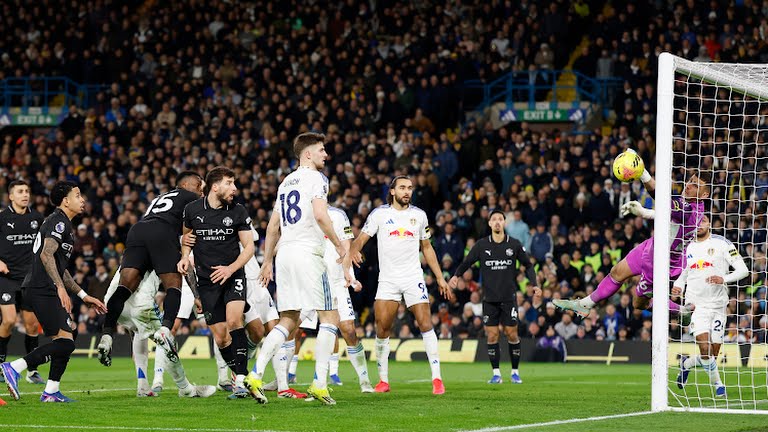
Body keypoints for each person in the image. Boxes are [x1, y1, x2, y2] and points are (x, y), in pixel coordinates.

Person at [245, 132, 347, 405]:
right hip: (307, 252)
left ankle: (255, 375)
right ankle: (320, 383)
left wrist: (267, 261)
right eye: (322, 150)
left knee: (289, 319)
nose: (326, 155)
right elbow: (321, 214)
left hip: (284, 255)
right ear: (308, 154)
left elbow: (272, 226)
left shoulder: (286, 182)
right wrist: (338, 244)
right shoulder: (317, 179)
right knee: (330, 318)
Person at [346, 175, 455, 395]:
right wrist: (354, 250)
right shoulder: (380, 214)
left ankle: (437, 379)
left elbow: (427, 248)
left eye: (410, 188)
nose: (407, 191)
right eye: (403, 188)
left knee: (425, 323)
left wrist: (440, 277)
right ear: (393, 191)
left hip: (413, 277)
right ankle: (383, 381)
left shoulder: (419, 216)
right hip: (388, 279)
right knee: (383, 328)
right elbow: (361, 238)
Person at [1, 181, 106, 402]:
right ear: (65, 201)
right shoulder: (58, 222)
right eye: (78, 195)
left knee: (69, 337)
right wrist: (59, 288)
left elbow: (60, 268)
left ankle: (51, 391)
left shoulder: (61, 222)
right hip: (41, 288)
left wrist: (83, 296)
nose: (83, 199)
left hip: (40, 287)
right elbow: (46, 256)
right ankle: (15, 367)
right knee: (66, 342)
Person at [555, 167, 708, 315]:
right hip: (652, 246)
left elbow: (663, 199)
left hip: (662, 262)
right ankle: (583, 305)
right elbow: (668, 213)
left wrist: (642, 175)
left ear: (705, 195)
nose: (688, 186)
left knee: (638, 303)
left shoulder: (691, 211)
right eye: (690, 181)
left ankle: (682, 311)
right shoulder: (686, 204)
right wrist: (643, 209)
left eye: (695, 185)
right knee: (616, 272)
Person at [98, 171, 204, 366]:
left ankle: (106, 335)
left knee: (124, 286)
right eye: (200, 187)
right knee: (174, 285)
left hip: (138, 231)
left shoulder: (159, 198)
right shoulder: (192, 197)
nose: (202, 192)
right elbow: (187, 251)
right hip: (162, 233)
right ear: (189, 185)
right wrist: (197, 295)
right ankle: (165, 331)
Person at [178, 166, 255, 398]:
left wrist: (231, 269)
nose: (235, 188)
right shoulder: (192, 210)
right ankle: (241, 376)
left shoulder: (238, 211)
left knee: (234, 320)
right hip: (206, 280)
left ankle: (241, 381)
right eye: (230, 183)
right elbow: (187, 238)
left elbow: (249, 247)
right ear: (215, 187)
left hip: (232, 275)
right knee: (221, 338)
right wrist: (184, 256)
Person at [449, 209, 540, 384]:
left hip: (508, 298)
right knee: (492, 336)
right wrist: (456, 276)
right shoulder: (482, 245)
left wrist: (535, 284)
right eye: (494, 219)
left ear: (504, 223)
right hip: (489, 299)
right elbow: (467, 262)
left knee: (512, 334)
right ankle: (496, 374)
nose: (497, 222)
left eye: (500, 219)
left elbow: (528, 265)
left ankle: (515, 372)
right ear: (490, 223)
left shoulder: (513, 244)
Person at [103, 269, 216, 398]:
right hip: (140, 303)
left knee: (138, 331)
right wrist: (196, 296)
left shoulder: (131, 251)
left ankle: (143, 386)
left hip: (113, 300)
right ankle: (186, 388)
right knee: (166, 338)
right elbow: (182, 270)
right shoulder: (165, 250)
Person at [675, 215, 749, 397]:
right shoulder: (687, 247)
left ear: (710, 224)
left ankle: (686, 364)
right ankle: (718, 384)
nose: (699, 225)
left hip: (718, 305)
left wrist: (723, 278)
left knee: (712, 356)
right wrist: (678, 284)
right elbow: (683, 274)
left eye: (703, 221)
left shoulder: (723, 244)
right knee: (705, 348)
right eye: (696, 222)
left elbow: (743, 271)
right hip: (695, 305)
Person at [322, 205, 373, 392]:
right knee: (292, 328)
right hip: (312, 283)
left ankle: (364, 380)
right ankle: (282, 381)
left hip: (336, 282)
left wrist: (351, 277)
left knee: (349, 330)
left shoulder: (337, 215)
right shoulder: (303, 214)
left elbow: (347, 247)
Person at [0, 180, 45, 385]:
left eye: (27, 191)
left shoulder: (37, 218)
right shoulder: (2, 218)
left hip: (29, 278)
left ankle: (32, 370)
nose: (25, 194)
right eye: (20, 192)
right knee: (8, 321)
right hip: (6, 278)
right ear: (11, 196)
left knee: (32, 325)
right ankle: (1, 366)